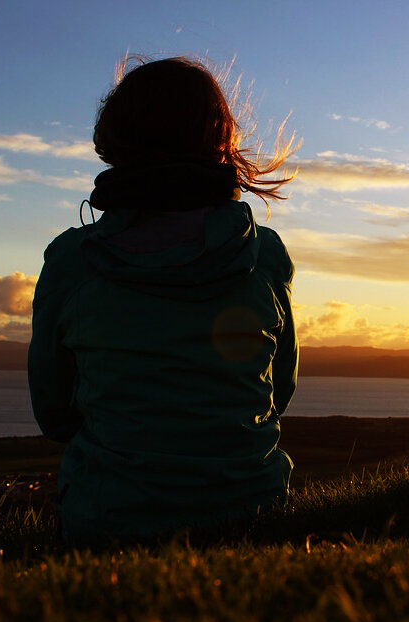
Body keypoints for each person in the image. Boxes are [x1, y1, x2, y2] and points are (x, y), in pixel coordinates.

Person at [27, 57, 299, 545]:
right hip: (255, 517)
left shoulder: (72, 262)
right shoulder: (265, 255)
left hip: (107, 524)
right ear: (220, 141)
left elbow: (55, 415)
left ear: (114, 140)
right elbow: (277, 393)